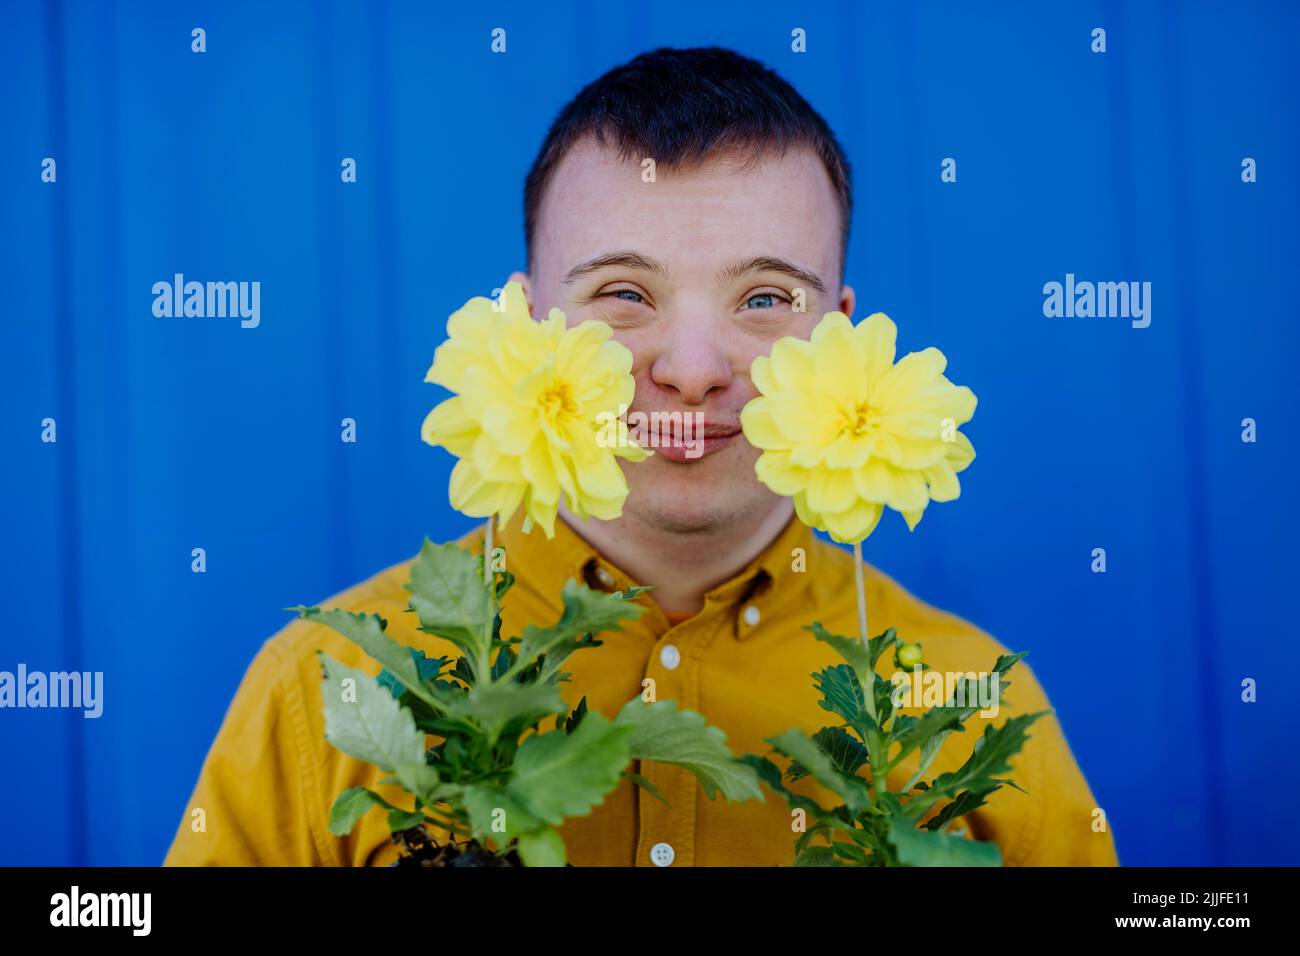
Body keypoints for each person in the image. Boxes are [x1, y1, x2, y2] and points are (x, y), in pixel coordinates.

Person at [165, 46, 1118, 867]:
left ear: (843, 335)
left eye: (764, 300)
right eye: (623, 294)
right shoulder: (323, 688)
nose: (693, 371)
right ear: (528, 324)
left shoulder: (972, 706)